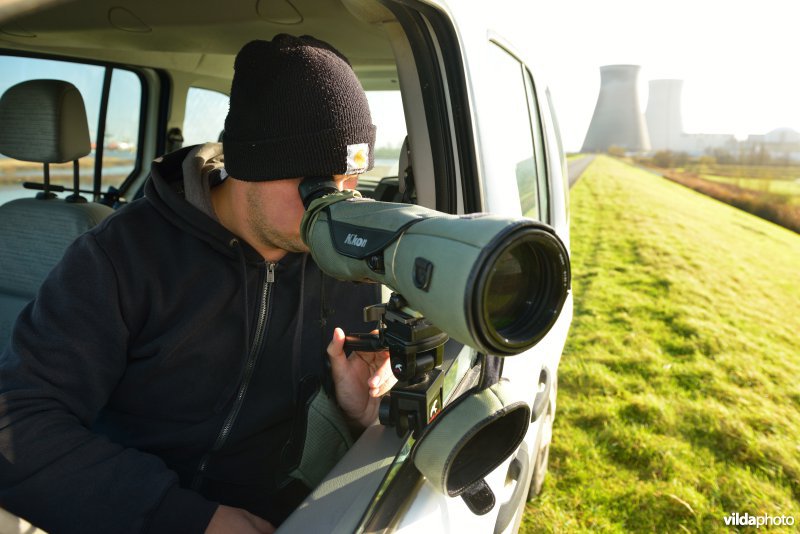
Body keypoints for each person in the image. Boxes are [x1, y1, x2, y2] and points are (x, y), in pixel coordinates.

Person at [0, 35, 395, 533]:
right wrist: (187, 519)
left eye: (350, 183)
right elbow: (15, 423)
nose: (334, 208)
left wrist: (356, 415)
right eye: (318, 186)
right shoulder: (121, 258)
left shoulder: (344, 260)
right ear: (252, 164)